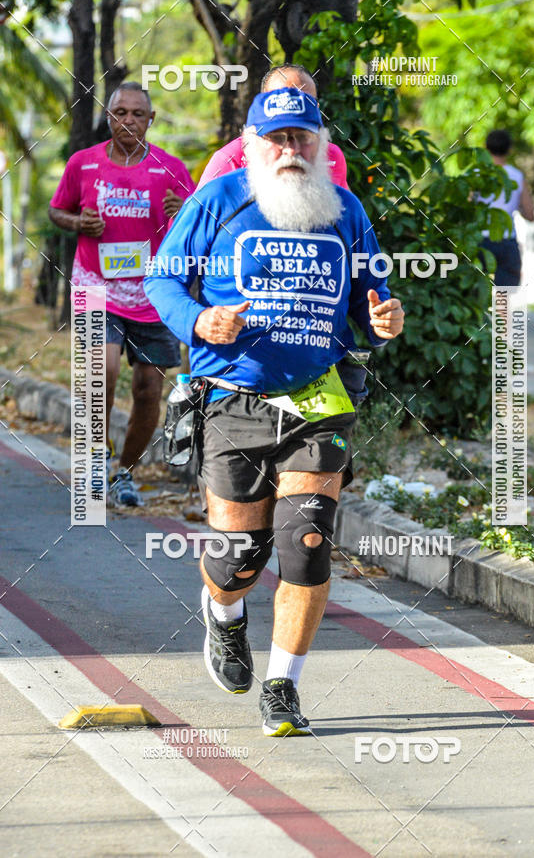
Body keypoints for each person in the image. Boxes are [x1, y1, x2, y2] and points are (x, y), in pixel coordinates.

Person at [144, 86, 403, 737]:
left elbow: (377, 297)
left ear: (320, 144)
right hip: (234, 398)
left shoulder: (343, 208)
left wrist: (384, 318)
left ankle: (283, 685)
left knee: (307, 544)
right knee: (241, 556)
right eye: (277, 138)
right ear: (255, 145)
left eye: (301, 137)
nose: (290, 149)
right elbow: (163, 279)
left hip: (319, 402)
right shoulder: (219, 201)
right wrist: (201, 319)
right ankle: (225, 614)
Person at [49, 82, 194, 507]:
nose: (127, 120)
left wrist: (180, 212)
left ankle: (123, 474)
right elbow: (57, 210)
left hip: (154, 292)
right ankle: (95, 458)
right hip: (95, 284)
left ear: (151, 121)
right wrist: (78, 224)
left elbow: (197, 225)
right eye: (119, 112)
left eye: (136, 114)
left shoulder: (171, 168)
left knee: (149, 388)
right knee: (103, 370)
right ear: (108, 117)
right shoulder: (83, 163)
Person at [197, 63, 349, 190]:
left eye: (306, 100)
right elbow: (197, 220)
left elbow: (349, 218)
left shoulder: (332, 155)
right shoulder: (230, 159)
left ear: (317, 106)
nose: (295, 106)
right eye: (282, 99)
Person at [480, 129, 534, 286]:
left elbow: (466, 206)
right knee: (507, 300)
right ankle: (503, 311)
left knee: (474, 296)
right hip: (506, 241)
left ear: (486, 147)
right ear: (509, 149)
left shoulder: (476, 173)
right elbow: (530, 214)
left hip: (479, 241)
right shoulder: (517, 176)